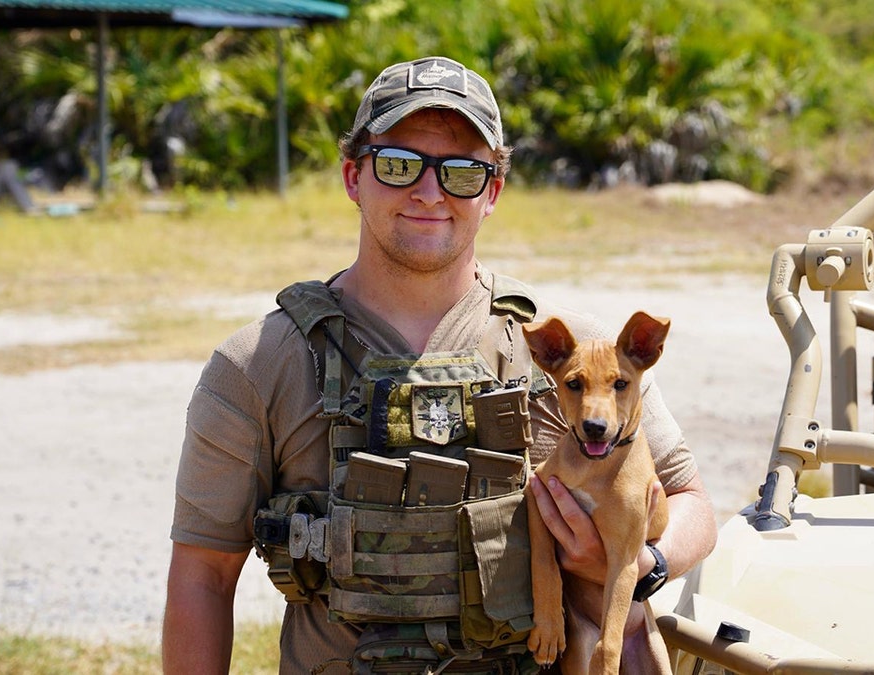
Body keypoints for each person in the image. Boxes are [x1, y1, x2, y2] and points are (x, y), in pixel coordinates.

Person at [162, 55, 717, 674]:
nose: (429, 192)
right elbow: (202, 577)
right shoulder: (261, 364)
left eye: (461, 172)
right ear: (353, 175)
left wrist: (641, 563)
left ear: (493, 192)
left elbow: (691, 500)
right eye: (399, 166)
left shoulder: (569, 351)